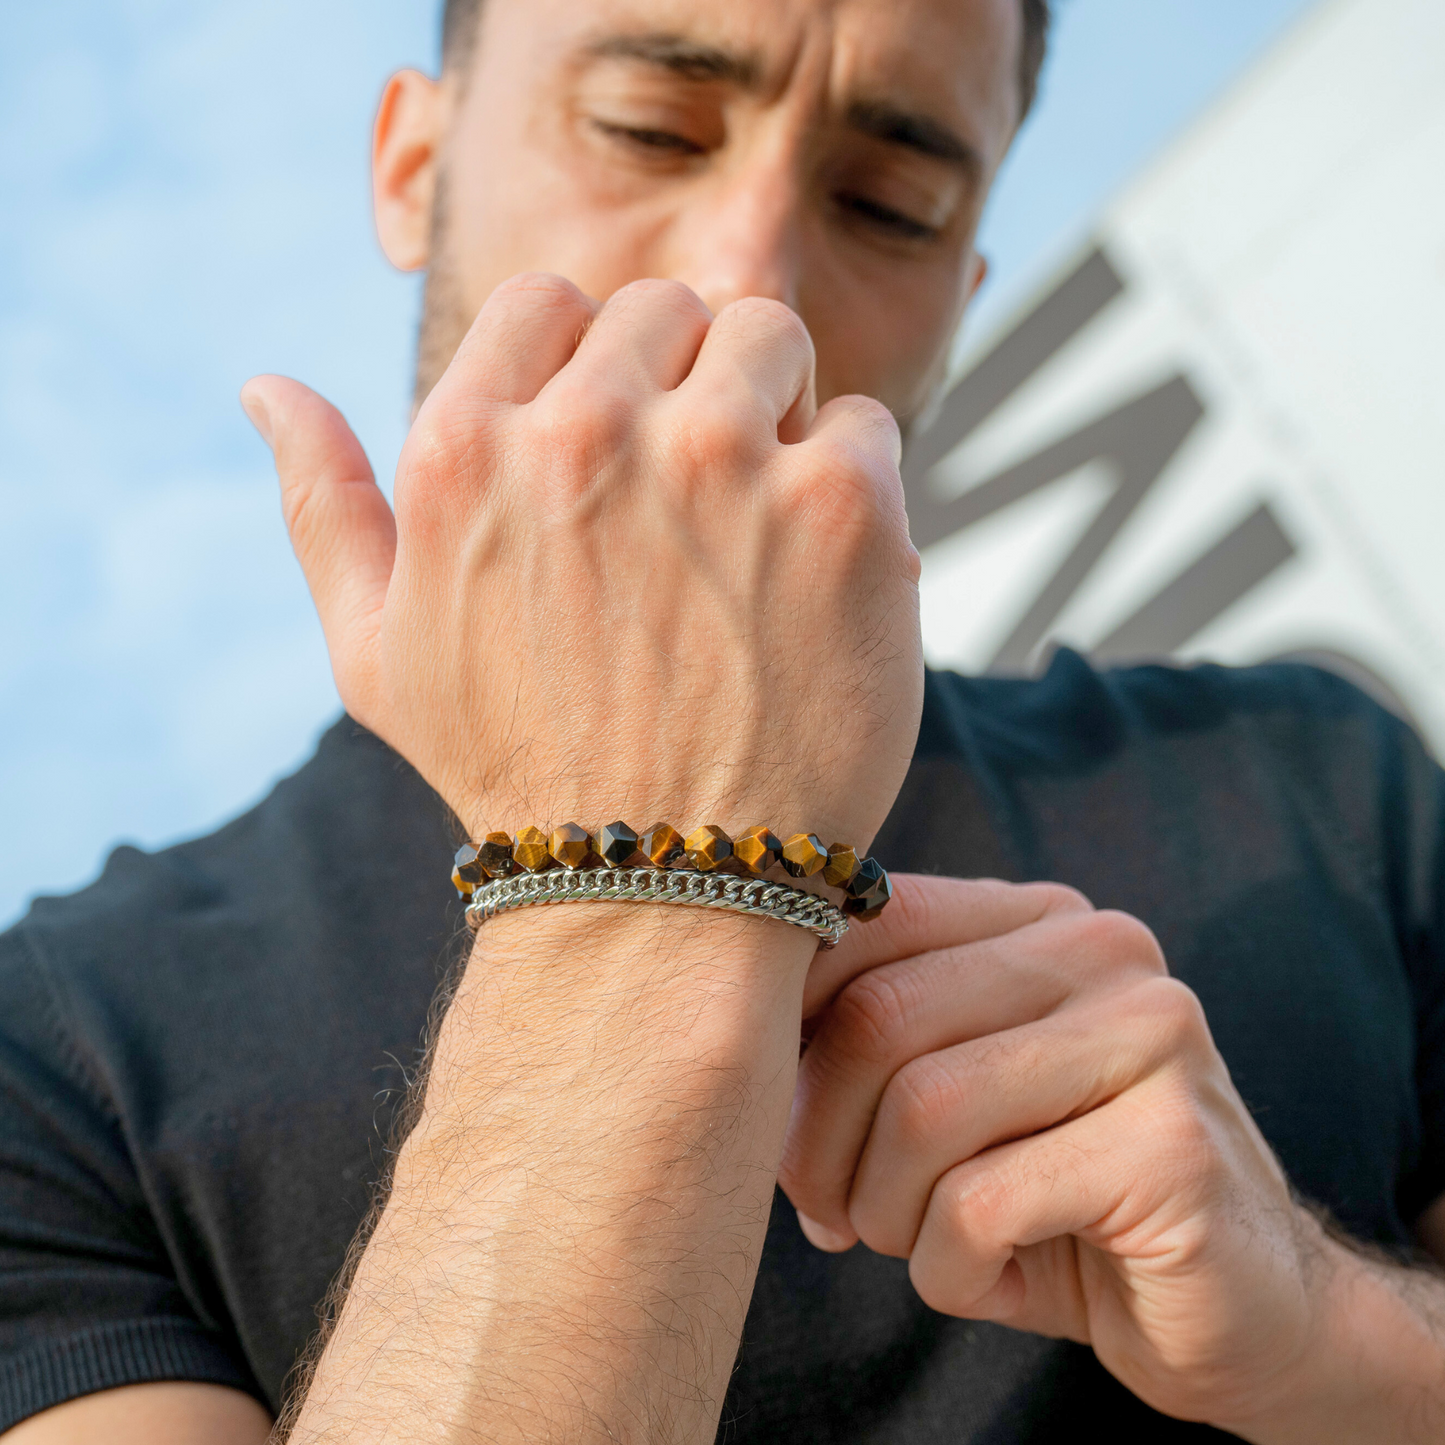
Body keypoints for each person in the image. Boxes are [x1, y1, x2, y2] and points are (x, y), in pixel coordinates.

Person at [4, 0, 1445, 1439]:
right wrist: (639, 912)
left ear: (965, 290)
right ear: (412, 168)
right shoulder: (59, 1060)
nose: (750, 285)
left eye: (892, 205)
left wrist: (1336, 1332)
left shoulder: (1321, 781)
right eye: (646, 128)